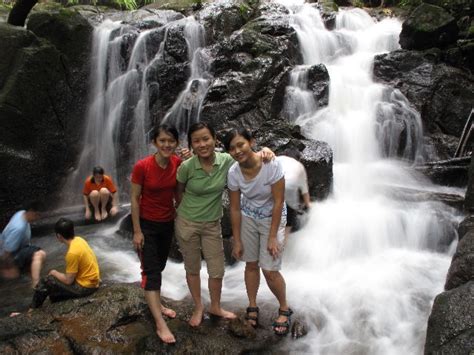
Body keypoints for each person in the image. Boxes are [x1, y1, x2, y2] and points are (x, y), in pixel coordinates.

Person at [175, 122, 274, 328]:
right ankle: (198, 306)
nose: (202, 144)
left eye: (206, 139)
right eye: (196, 141)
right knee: (192, 267)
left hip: (212, 224)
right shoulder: (186, 167)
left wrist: (266, 151)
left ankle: (216, 306)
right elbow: (178, 192)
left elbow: (247, 156)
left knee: (217, 269)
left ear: (214, 140)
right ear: (191, 145)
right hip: (187, 223)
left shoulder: (227, 161)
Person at [224, 128, 293, 336]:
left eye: (241, 144)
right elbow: (234, 208)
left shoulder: (271, 164)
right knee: (251, 264)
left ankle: (284, 308)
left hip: (273, 216)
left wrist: (272, 237)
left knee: (270, 270)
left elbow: (279, 201)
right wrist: (236, 240)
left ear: (251, 141)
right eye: (232, 148)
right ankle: (252, 306)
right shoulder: (234, 173)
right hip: (249, 217)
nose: (237, 151)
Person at [131, 124, 189, 344]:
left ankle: (158, 303)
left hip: (167, 223)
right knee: (152, 271)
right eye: (162, 140)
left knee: (160, 266)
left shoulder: (178, 163)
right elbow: (134, 200)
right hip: (146, 224)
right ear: (155, 142)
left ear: (176, 143)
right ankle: (159, 323)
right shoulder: (142, 166)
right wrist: (137, 231)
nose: (167, 144)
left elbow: (182, 192)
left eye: (171, 141)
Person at [30, 218, 100, 309]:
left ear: (59, 236)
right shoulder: (79, 240)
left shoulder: (72, 253)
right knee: (54, 292)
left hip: (86, 288)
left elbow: (68, 281)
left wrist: (54, 272)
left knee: (47, 281)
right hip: (93, 282)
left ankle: (32, 310)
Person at [0, 201, 46, 288]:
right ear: (31, 211)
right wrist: (10, 268)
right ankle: (36, 284)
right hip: (12, 255)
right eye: (37, 215)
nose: (38, 218)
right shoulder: (18, 228)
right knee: (40, 254)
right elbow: (6, 252)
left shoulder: (21, 213)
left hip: (17, 249)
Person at [276, 155, 311, 239]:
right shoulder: (299, 166)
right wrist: (308, 205)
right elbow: (305, 191)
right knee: (288, 222)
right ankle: (281, 247)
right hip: (289, 189)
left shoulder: (279, 158)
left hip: (274, 185)